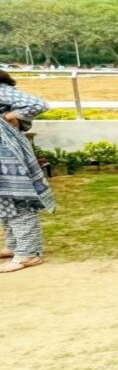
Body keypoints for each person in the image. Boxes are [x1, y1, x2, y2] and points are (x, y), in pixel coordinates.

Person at [0, 70, 55, 273]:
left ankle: (28, 253)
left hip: (8, 156)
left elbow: (38, 104)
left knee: (18, 201)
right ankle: (14, 246)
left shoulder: (1, 90)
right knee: (4, 203)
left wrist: (12, 115)